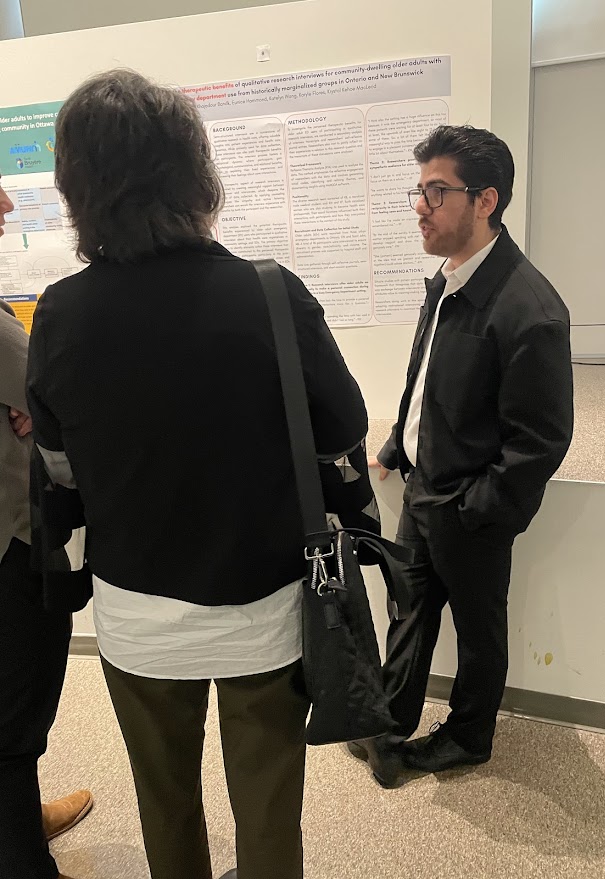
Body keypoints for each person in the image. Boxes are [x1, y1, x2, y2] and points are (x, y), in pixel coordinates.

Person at [26, 70, 368, 879]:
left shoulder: (61, 312)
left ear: (76, 186)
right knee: (268, 810)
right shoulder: (271, 294)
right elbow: (343, 428)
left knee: (165, 801)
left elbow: (60, 466)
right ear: (195, 170)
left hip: (136, 611)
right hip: (265, 605)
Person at [349, 125, 574, 787]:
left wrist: (479, 507)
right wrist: (398, 443)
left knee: (478, 631)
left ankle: (469, 737)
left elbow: (540, 440)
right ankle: (389, 723)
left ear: (485, 200)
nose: (420, 207)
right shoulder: (450, 277)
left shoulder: (529, 309)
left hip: (469, 504)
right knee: (409, 609)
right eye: (419, 191)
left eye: (436, 192)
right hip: (426, 484)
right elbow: (424, 376)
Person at [0, 183, 93, 879]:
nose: (7, 207)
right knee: (15, 718)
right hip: (10, 554)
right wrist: (49, 411)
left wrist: (40, 405)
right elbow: (67, 410)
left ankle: (19, 821)